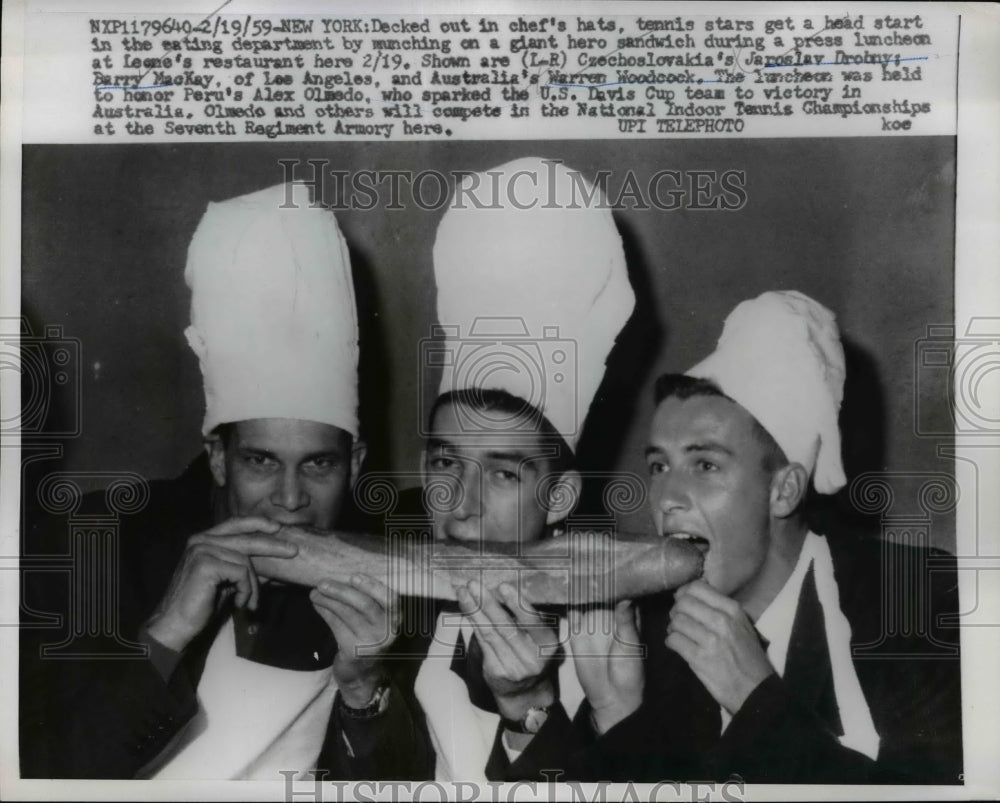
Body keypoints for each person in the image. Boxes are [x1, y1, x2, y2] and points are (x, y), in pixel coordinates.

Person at [20, 183, 429, 780]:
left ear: (357, 464)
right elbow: (40, 770)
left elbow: (411, 783)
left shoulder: (393, 562)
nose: (291, 502)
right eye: (260, 462)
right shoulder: (90, 542)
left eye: (319, 464)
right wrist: (164, 636)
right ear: (217, 456)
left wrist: (367, 687)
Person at [521, 291, 963, 783]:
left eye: (704, 465)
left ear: (784, 489)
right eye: (658, 466)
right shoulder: (647, 633)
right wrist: (617, 714)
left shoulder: (922, 600)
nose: (666, 497)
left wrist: (755, 701)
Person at [321, 157, 636, 781]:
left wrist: (530, 712)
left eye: (503, 474)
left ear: (562, 495)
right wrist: (363, 692)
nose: (459, 505)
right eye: (445, 463)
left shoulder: (617, 631)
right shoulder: (395, 602)